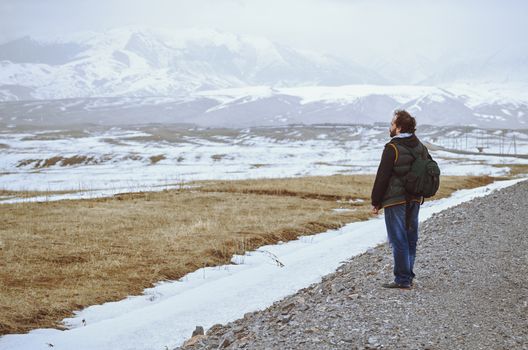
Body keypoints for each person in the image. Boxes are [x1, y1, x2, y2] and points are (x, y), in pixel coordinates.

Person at [371, 109, 432, 289]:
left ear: (398, 128)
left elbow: (382, 177)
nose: (390, 127)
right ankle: (408, 275)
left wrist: (376, 201)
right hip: (415, 198)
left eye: (392, 124)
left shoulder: (392, 148)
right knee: (410, 237)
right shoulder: (421, 147)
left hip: (395, 200)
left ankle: (402, 279)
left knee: (398, 238)